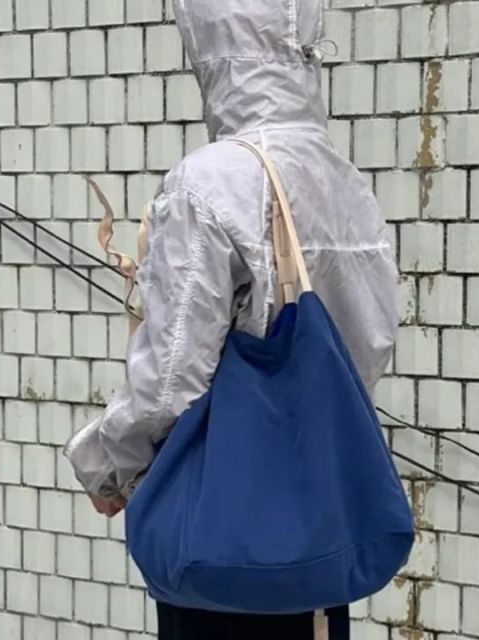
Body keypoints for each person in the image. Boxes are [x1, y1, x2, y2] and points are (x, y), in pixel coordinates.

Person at [65, 0, 399, 637]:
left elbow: (170, 380)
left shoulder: (208, 183)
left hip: (229, 537)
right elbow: (370, 345)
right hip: (317, 529)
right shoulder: (345, 182)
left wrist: (105, 465)